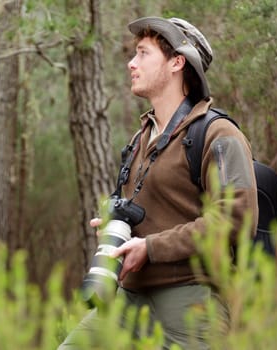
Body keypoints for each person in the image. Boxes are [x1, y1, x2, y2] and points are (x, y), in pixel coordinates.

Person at [58, 16, 259, 349]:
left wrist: (150, 248)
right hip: (128, 299)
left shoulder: (218, 134)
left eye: (142, 53)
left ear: (177, 62)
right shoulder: (141, 138)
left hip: (190, 300)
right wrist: (115, 229)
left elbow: (236, 219)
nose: (131, 63)